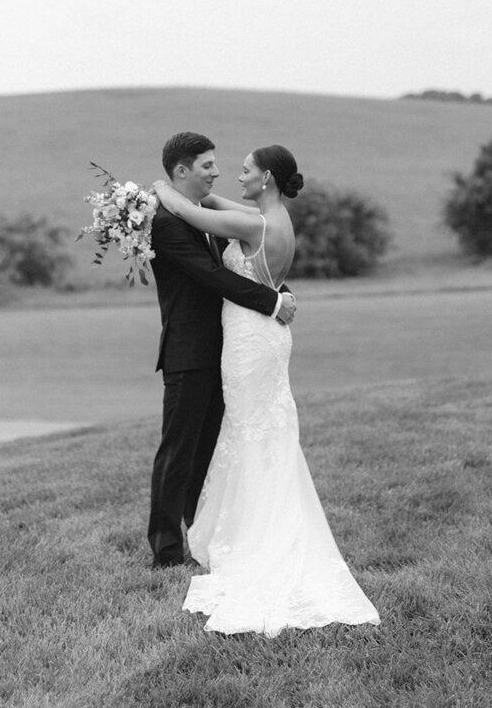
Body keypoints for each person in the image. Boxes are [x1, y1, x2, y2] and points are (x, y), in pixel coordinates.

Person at [153, 143, 380, 636]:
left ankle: (256, 534)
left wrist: (157, 191)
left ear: (268, 178)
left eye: (245, 171)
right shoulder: (272, 218)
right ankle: (242, 525)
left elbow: (191, 210)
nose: (235, 177)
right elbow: (213, 206)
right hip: (263, 338)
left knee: (250, 434)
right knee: (255, 433)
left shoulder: (256, 225)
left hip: (250, 342)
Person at [148, 132, 297, 569]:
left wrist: (276, 291)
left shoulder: (204, 214)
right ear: (181, 171)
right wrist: (273, 301)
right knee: (178, 450)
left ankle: (201, 532)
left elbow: (248, 266)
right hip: (189, 351)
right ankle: (166, 549)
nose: (218, 172)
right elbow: (212, 277)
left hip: (231, 349)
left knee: (209, 449)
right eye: (207, 165)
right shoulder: (168, 223)